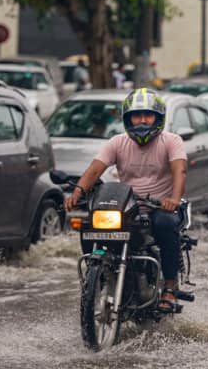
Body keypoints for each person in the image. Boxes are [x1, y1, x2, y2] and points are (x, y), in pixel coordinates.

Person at [64, 88, 187, 312]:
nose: (141, 121)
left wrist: (174, 199)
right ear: (127, 119)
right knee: (90, 225)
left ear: (158, 118)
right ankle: (97, 276)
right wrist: (78, 193)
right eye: (136, 116)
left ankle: (170, 285)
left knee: (165, 224)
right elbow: (95, 170)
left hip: (160, 207)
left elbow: (180, 171)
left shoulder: (172, 141)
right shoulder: (117, 142)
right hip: (127, 205)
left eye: (147, 115)